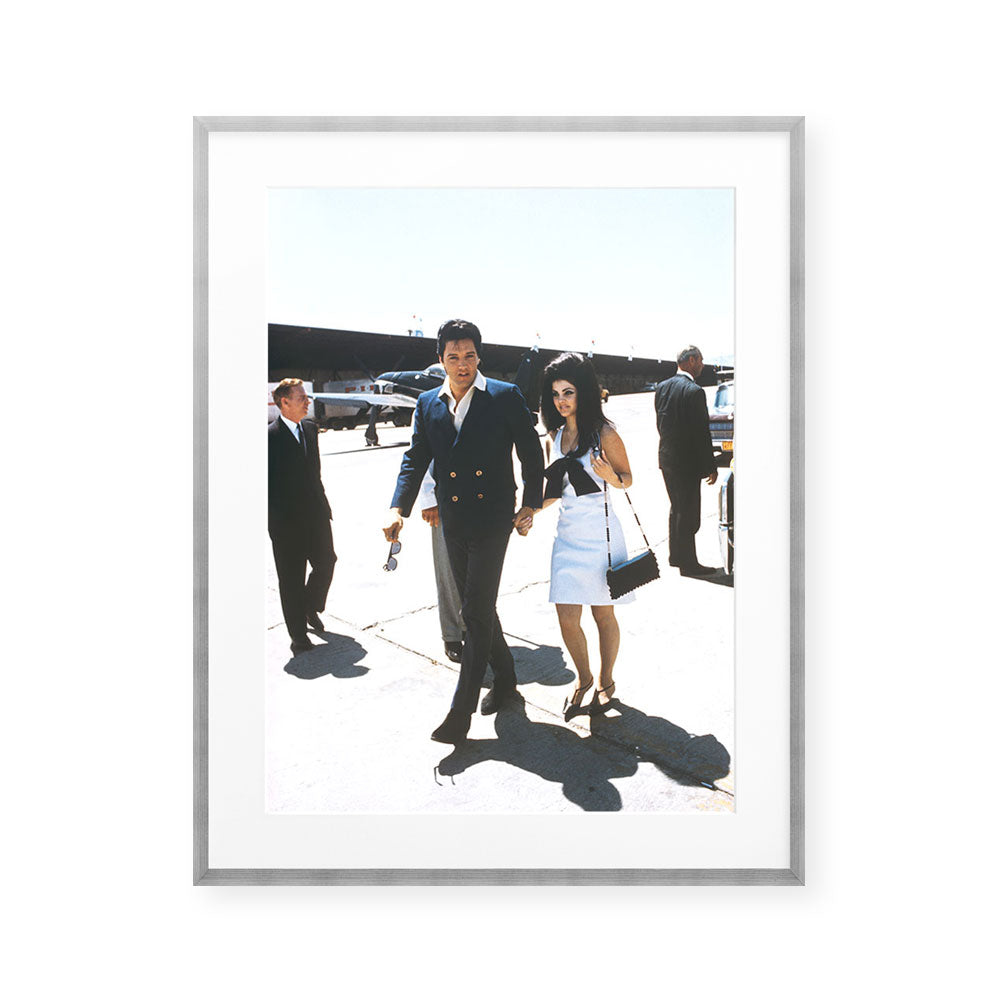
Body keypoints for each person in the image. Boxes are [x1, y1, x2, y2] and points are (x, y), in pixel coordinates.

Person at [384, 319, 544, 744]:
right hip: (453, 520)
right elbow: (415, 458)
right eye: (453, 357)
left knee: (473, 612)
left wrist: (530, 503)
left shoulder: (504, 396)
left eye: (469, 356)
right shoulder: (427, 404)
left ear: (479, 357)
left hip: (493, 519)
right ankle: (506, 679)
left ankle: (460, 711)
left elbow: (531, 452)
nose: (462, 365)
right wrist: (398, 507)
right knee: (479, 606)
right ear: (440, 359)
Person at [539, 353, 634, 720]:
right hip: (567, 537)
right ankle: (583, 677)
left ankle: (606, 681)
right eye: (555, 394)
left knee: (603, 615)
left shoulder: (604, 433)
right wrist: (528, 512)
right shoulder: (555, 435)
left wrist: (611, 476)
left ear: (584, 393)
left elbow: (627, 479)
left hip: (601, 537)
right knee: (566, 617)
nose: (561, 401)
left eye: (568, 392)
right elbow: (555, 491)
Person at [268, 379, 337, 654]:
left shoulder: (310, 429)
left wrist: (324, 507)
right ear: (284, 402)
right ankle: (298, 635)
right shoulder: (269, 437)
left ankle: (310, 606)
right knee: (291, 579)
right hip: (286, 523)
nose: (308, 402)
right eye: (301, 398)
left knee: (327, 562)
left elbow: (314, 474)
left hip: (316, 514)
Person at [654, 346, 718, 577]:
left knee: (677, 508)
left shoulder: (662, 388)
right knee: (688, 512)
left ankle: (676, 556)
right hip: (686, 463)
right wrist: (710, 466)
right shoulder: (694, 391)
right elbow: (701, 433)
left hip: (667, 459)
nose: (702, 365)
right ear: (691, 360)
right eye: (700, 360)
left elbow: (661, 424)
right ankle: (689, 564)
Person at [417, 463, 464, 663]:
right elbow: (422, 456)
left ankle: (472, 628)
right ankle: (452, 634)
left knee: (478, 570)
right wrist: (428, 498)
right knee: (447, 568)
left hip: (481, 494)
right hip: (446, 495)